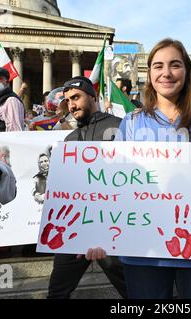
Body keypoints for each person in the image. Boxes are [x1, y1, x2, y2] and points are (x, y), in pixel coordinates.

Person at [113, 38, 191, 299]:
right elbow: (115, 186)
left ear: (187, 72)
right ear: (149, 74)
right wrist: (100, 236)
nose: (166, 72)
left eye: (175, 65)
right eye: (158, 66)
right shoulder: (132, 123)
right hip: (143, 251)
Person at [47, 76, 127, 299]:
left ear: (93, 97)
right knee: (57, 291)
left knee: (131, 288)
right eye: (67, 101)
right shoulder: (70, 139)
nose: (71, 105)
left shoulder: (120, 127)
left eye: (76, 98)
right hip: (75, 228)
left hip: (114, 226)